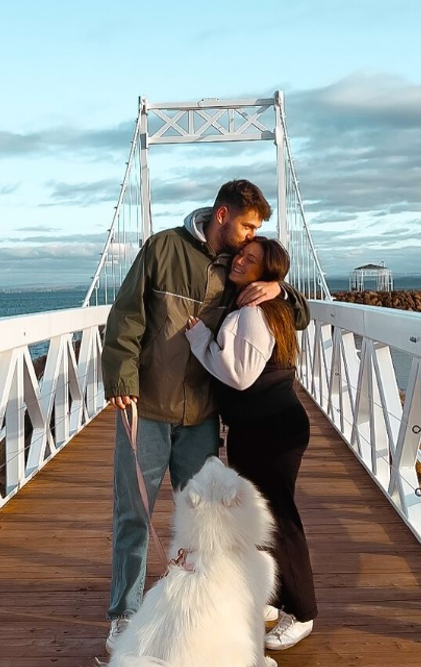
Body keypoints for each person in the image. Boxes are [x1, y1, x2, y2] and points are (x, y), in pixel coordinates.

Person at [100, 179, 308, 652]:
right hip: (147, 408)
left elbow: (297, 317)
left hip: (202, 416)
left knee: (212, 523)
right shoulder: (163, 248)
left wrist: (283, 289)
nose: (251, 234)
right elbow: (126, 316)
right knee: (134, 515)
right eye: (248, 224)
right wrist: (120, 377)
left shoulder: (242, 271)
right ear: (222, 216)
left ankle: (210, 607)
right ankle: (124, 613)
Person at [184, 236, 317, 651]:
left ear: (267, 274)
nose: (239, 259)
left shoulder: (254, 312)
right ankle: (274, 600)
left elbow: (238, 375)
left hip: (271, 432)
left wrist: (200, 340)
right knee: (261, 519)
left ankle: (303, 612)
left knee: (280, 521)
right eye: (240, 253)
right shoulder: (255, 305)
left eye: (251, 259)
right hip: (261, 429)